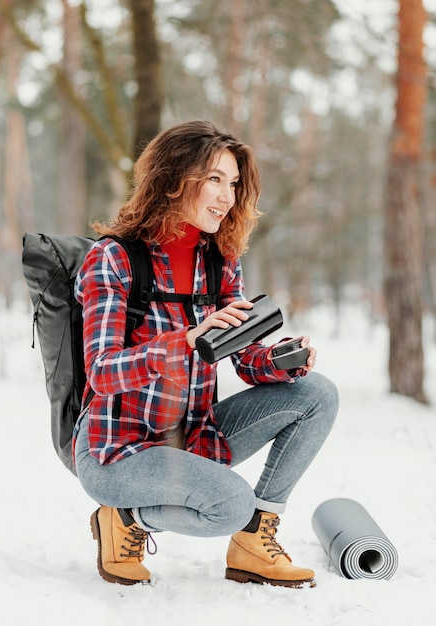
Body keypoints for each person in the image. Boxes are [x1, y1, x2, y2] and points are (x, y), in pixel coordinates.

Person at [73, 120, 338, 588]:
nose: (227, 196)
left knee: (316, 394)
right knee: (230, 504)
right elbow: (101, 372)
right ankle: (124, 519)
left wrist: (279, 360)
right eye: (214, 179)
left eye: (233, 183)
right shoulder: (114, 259)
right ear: (174, 180)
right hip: (118, 450)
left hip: (193, 438)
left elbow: (244, 358)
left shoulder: (220, 261)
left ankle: (255, 540)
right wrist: (186, 341)